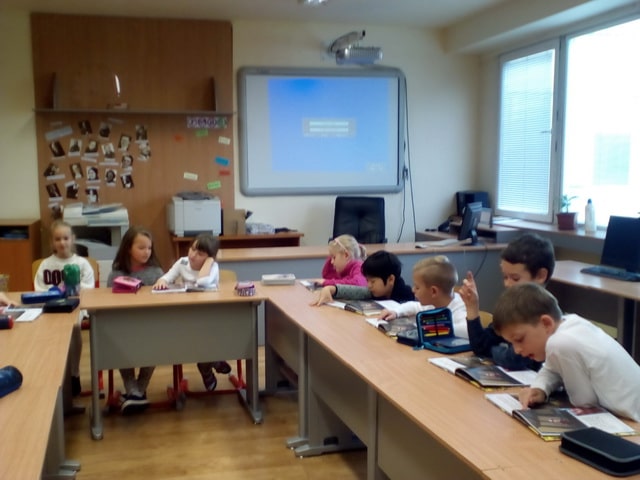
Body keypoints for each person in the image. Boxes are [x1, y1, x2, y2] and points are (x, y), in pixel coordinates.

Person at [492, 282, 640, 422]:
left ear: (546, 323)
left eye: (519, 339)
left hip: (633, 421)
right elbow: (551, 368)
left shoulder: (560, 343)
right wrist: (540, 388)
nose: (517, 350)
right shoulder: (570, 323)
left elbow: (584, 401)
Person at [459, 232, 554, 370]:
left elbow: (514, 360)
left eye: (515, 278)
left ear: (540, 276)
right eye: (505, 277)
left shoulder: (544, 314)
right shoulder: (513, 308)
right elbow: (480, 347)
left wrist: (492, 350)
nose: (507, 284)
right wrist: (472, 308)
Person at [153, 233, 231, 391]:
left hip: (210, 314)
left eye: (200, 254)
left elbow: (203, 282)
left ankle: (205, 366)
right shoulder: (182, 262)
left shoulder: (212, 267)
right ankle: (213, 361)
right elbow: (167, 277)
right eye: (192, 249)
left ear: (210, 258)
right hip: (188, 315)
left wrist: (209, 262)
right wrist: (161, 281)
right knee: (196, 337)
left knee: (209, 335)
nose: (193, 255)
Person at [107, 226, 164, 414]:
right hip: (124, 326)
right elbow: (108, 300)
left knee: (155, 344)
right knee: (118, 344)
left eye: (149, 248)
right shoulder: (116, 273)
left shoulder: (156, 272)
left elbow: (164, 298)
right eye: (141, 248)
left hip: (150, 325)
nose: (146, 252)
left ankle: (137, 392)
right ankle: (135, 391)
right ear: (128, 248)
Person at [34, 220, 95, 396]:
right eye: (58, 239)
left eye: (66, 238)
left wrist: (73, 287)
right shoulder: (46, 265)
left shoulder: (82, 263)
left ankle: (74, 375)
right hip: (52, 308)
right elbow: (39, 289)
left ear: (72, 239)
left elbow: (89, 287)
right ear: (52, 242)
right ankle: (57, 376)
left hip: (75, 307)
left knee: (74, 330)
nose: (62, 242)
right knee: (52, 339)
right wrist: (54, 292)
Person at [377, 255, 468, 338]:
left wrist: (431, 327)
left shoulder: (460, 308)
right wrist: (396, 312)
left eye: (417, 287)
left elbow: (467, 330)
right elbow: (414, 306)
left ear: (433, 291)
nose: (413, 290)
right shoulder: (434, 302)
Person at [311, 250, 414, 305]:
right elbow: (357, 291)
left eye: (373, 282)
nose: (369, 285)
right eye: (367, 280)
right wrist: (331, 289)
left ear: (390, 279)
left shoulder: (407, 297)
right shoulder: (377, 291)